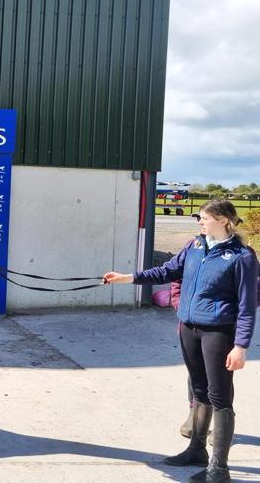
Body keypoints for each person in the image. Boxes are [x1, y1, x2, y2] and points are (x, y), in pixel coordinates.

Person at [104, 199, 258, 483]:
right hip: (189, 327)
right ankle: (196, 451)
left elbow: (247, 305)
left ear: (223, 220)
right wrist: (128, 278)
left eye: (204, 218)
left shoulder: (242, 257)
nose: (200, 222)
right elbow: (166, 271)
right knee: (198, 391)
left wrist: (240, 345)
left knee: (220, 397)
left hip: (218, 332)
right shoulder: (194, 246)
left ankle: (219, 469)